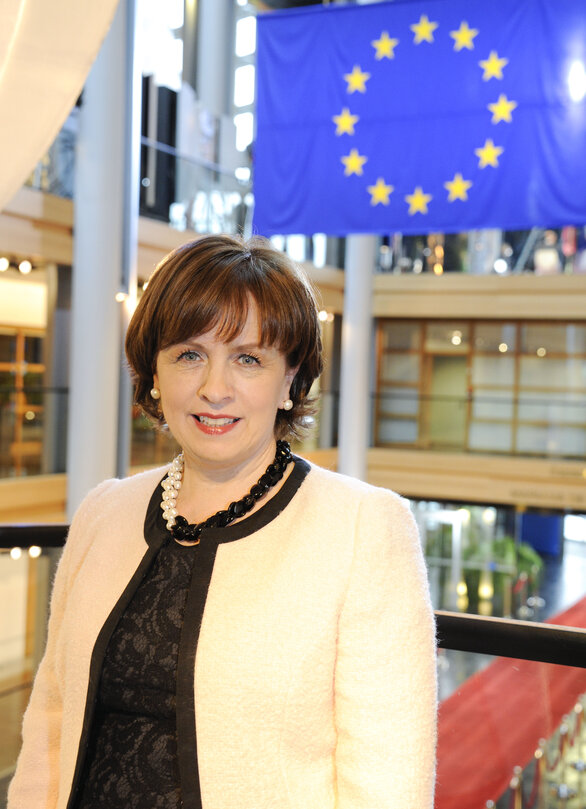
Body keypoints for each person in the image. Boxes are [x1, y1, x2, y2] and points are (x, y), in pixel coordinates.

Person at [8, 234, 437, 809]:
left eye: (248, 358)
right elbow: (50, 726)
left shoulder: (363, 528)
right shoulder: (103, 512)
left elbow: (389, 783)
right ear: (154, 373)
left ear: (290, 380)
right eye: (189, 354)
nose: (214, 389)